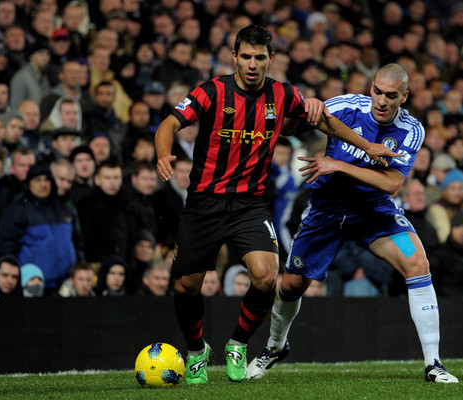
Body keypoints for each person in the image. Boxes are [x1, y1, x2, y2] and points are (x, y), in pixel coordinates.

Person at [154, 25, 397, 384]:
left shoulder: (283, 95)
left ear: (271, 59)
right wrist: (163, 153)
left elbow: (325, 122)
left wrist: (368, 146)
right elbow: (169, 123)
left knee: (267, 277)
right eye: (246, 57)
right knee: (186, 287)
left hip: (250, 204)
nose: (253, 64)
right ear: (234, 57)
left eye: (260, 57)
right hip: (204, 202)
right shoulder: (212, 91)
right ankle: (195, 350)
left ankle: (238, 343)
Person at [247, 63, 458, 383]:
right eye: (377, 91)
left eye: (390, 95)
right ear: (370, 88)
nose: (381, 101)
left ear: (404, 96)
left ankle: (434, 364)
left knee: (416, 262)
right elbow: (289, 129)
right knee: (290, 285)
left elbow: (391, 184)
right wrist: (309, 108)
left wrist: (339, 166)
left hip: (376, 217)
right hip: (325, 214)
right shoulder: (345, 106)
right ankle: (276, 346)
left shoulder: (411, 130)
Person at [0, 164, 82, 293]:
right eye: (37, 180)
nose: (43, 185)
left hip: (66, 285)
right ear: (28, 183)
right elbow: (7, 250)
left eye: (47, 180)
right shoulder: (17, 211)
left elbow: (77, 244)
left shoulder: (65, 210)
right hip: (33, 286)